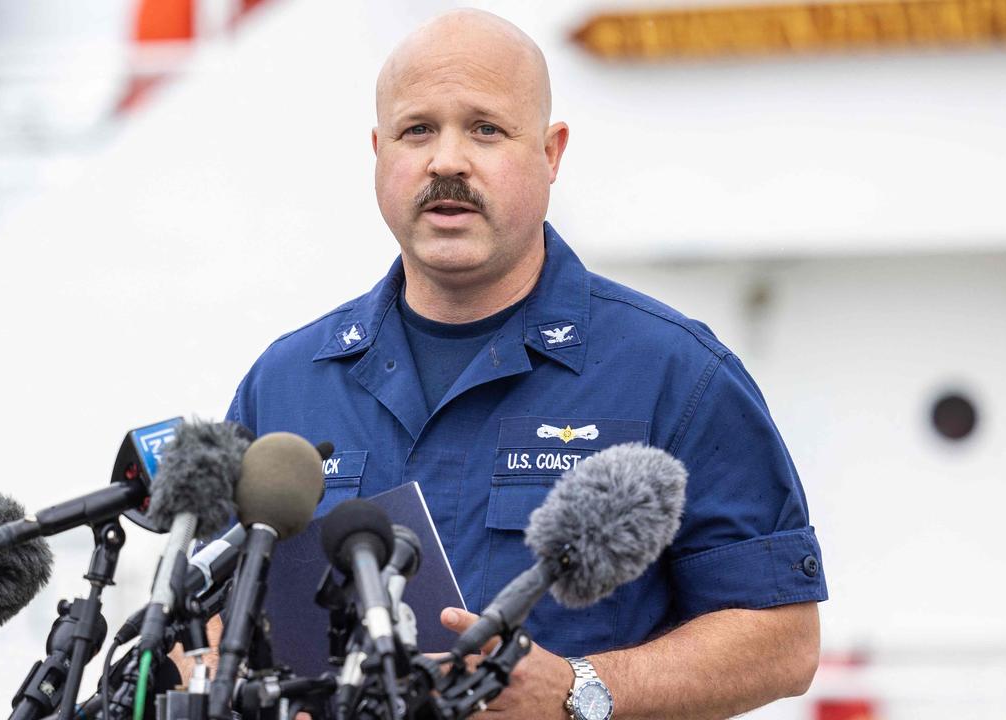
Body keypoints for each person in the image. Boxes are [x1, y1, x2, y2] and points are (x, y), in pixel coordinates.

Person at [221, 9, 827, 719]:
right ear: (379, 151)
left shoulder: (674, 373)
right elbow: (215, 608)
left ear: (550, 153)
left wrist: (579, 690)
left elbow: (782, 640)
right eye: (419, 130)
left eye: (485, 128)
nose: (447, 160)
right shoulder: (288, 380)